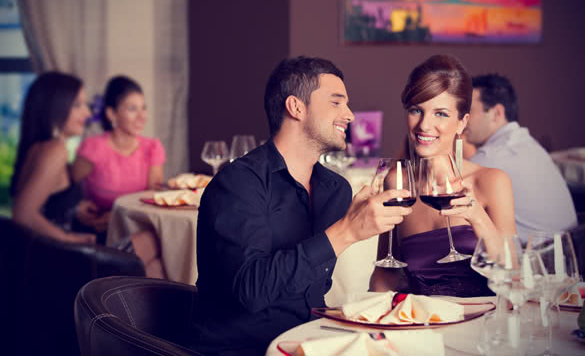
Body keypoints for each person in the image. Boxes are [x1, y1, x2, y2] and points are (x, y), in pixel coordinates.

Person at [191, 56, 411, 356]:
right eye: (336, 102)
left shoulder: (335, 190)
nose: (349, 115)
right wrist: (346, 231)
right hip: (243, 349)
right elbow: (250, 292)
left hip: (308, 342)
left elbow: (311, 291)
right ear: (296, 107)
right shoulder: (239, 183)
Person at [370, 55, 517, 297]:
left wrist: (477, 217)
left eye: (441, 113)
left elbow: (514, 273)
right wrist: (374, 321)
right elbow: (387, 273)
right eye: (417, 110)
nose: (424, 125)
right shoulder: (397, 182)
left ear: (462, 122)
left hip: (485, 324)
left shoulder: (491, 181)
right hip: (423, 325)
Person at [72, 75, 167, 278]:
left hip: (137, 229)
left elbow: (153, 199)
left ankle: (112, 304)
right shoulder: (93, 148)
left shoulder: (152, 148)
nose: (142, 116)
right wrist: (78, 206)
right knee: (158, 255)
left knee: (158, 266)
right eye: (132, 109)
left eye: (144, 107)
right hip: (100, 236)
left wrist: (115, 216)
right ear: (111, 114)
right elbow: (64, 189)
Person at [464, 73, 577, 241]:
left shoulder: (492, 157)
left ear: (497, 113)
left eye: (468, 111)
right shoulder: (527, 144)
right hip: (571, 249)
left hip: (537, 260)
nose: (463, 120)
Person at [11, 72, 99, 244]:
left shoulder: (41, 147)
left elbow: (48, 205)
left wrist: (74, 207)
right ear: (55, 106)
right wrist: (69, 238)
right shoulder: (55, 150)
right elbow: (22, 214)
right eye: (77, 105)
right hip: (56, 256)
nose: (87, 113)